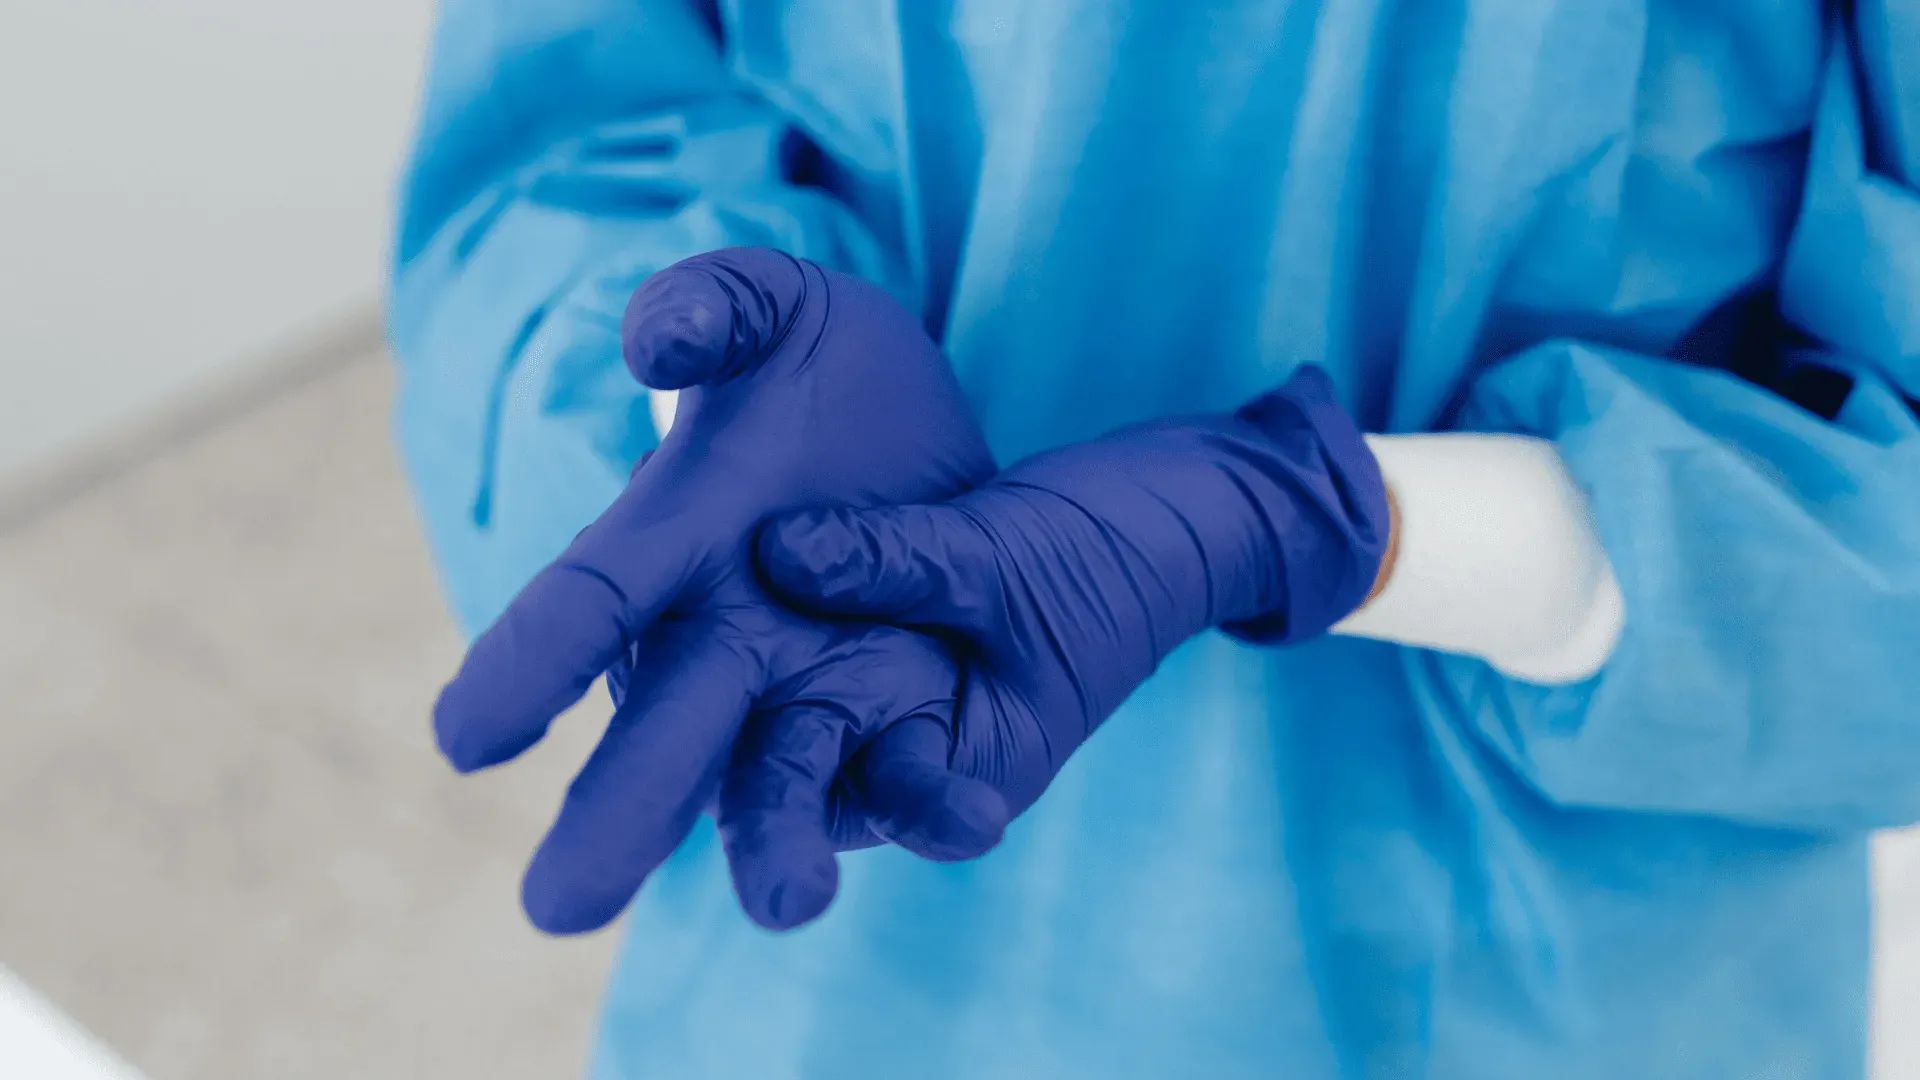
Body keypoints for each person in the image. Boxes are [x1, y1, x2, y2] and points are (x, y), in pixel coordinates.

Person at [387, 2, 1920, 1076]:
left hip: (1557, 992)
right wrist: (705, 413)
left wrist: (1360, 526)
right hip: (847, 942)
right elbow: (567, 112)